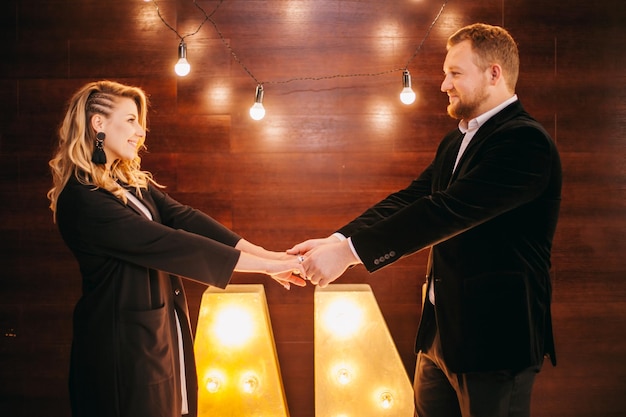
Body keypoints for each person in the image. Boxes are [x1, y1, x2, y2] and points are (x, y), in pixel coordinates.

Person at [288, 23, 561, 417]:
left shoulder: (525, 141)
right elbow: (413, 198)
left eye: (455, 73)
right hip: (439, 334)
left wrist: (349, 254)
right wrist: (336, 239)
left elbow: (443, 213)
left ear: (494, 74)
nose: (443, 84)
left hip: (495, 340)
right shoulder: (457, 138)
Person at [47, 80, 307, 417]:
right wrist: (264, 267)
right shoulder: (82, 198)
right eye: (130, 120)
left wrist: (270, 255)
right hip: (121, 349)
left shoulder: (126, 184)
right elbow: (170, 244)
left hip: (157, 334)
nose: (140, 132)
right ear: (98, 123)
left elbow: (184, 218)